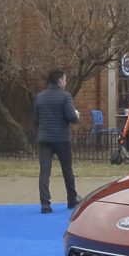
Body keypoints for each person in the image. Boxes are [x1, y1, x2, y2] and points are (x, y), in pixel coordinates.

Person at [34, 69, 80, 214]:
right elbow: (71, 117)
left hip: (44, 138)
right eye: (65, 79)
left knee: (44, 171)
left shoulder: (40, 97)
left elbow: (35, 119)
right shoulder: (65, 96)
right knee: (67, 169)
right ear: (60, 81)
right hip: (61, 138)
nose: (66, 82)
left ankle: (45, 204)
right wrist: (76, 114)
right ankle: (72, 199)